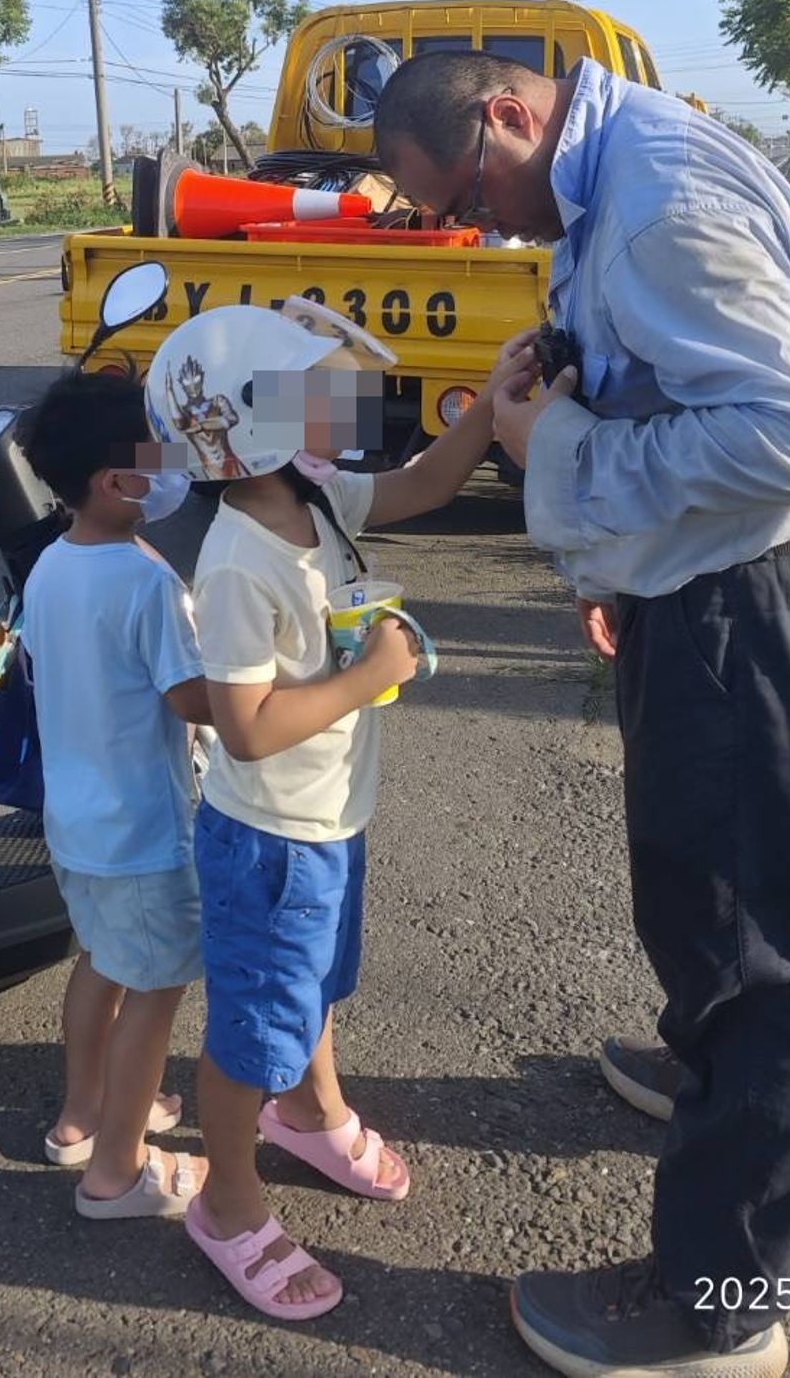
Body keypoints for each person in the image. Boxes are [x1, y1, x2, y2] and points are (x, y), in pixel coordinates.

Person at [374, 50, 790, 1378]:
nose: (483, 227)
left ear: (509, 115)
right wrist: (610, 549)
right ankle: (706, 1079)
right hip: (712, 590)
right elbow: (667, 380)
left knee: (755, 951)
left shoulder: (657, 195)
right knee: (700, 894)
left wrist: (562, 454)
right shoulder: (605, 181)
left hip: (756, 607)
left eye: (475, 193)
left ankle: (717, 1308)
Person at [145, 299, 534, 1322]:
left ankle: (310, 1112)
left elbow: (426, 481)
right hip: (270, 837)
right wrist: (372, 675)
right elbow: (246, 727)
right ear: (251, 423)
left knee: (313, 982)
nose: (343, 400)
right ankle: (228, 1204)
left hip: (326, 816)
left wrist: (491, 405)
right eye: (314, 389)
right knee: (250, 1031)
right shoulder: (236, 558)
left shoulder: (312, 495)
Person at [19, 372, 213, 1221]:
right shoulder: (146, 584)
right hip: (143, 831)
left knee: (103, 962)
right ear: (112, 481)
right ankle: (118, 1173)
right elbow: (193, 701)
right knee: (158, 991)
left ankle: (83, 1114)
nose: (172, 465)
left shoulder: (52, 565)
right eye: (156, 452)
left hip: (77, 822)